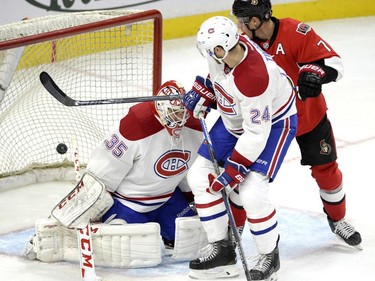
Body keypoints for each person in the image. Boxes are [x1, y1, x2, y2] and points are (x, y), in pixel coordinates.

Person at [23, 80, 206, 267]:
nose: (179, 119)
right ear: (160, 107)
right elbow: (99, 177)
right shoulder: (137, 126)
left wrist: (197, 199)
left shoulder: (196, 125)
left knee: (194, 241)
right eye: (174, 113)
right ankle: (65, 237)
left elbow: (191, 167)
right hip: (128, 203)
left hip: (167, 199)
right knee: (133, 253)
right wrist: (61, 222)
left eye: (183, 112)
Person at [231, 0, 362, 249]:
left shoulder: (295, 32)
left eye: (241, 20)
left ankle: (338, 220)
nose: (238, 25)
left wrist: (318, 73)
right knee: (245, 174)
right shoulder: (241, 44)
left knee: (327, 170)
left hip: (308, 118)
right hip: (267, 124)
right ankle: (235, 228)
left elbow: (335, 63)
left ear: (255, 21)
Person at [182, 16, 297, 280]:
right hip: (234, 119)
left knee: (251, 190)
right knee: (200, 176)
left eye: (211, 51)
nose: (208, 55)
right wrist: (206, 91)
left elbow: (256, 133)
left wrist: (234, 168)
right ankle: (222, 250)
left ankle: (270, 256)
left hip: (274, 124)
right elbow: (220, 80)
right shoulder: (223, 52)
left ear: (223, 48)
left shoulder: (255, 76)